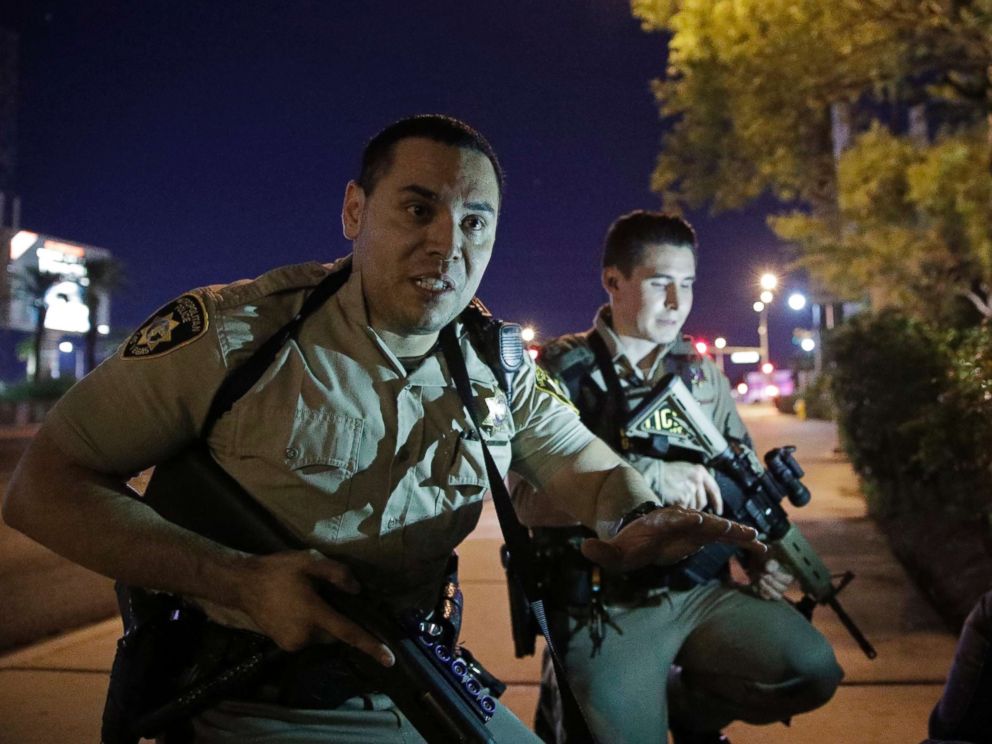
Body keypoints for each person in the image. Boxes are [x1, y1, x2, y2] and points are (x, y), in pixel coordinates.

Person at [1, 117, 765, 743]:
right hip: (242, 703)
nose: (447, 242)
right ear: (354, 212)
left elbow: (578, 462)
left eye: (475, 221)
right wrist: (237, 580)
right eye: (417, 208)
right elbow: (43, 486)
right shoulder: (238, 336)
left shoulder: (494, 362)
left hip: (418, 680)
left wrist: (633, 515)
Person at [512, 211, 844, 744]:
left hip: (698, 591)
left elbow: (737, 484)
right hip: (606, 605)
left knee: (811, 667)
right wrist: (650, 478)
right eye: (660, 283)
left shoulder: (702, 375)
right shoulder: (561, 370)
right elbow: (525, 498)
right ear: (614, 281)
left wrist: (757, 557)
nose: (676, 303)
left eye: (687, 285)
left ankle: (689, 715)